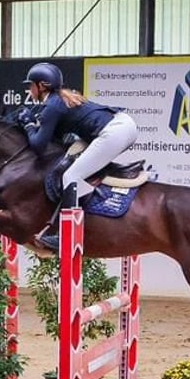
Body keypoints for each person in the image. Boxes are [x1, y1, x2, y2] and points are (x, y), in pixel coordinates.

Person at [17, 62, 138, 251]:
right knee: (72, 159)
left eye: (30, 85)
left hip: (115, 131)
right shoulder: (59, 99)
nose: (29, 90)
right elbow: (56, 138)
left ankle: (66, 235)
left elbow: (38, 146)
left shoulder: (52, 106)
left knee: (70, 176)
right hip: (123, 125)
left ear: (42, 86)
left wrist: (28, 125)